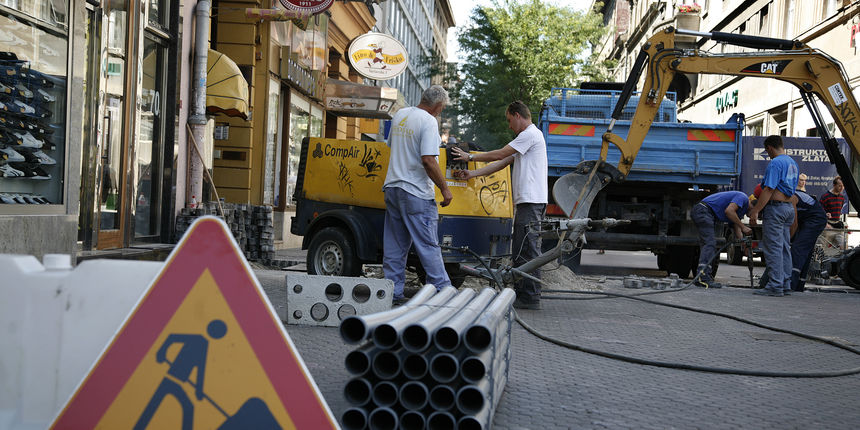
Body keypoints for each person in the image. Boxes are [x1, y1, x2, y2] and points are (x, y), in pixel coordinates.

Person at [451, 101, 548, 310]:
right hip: (527, 202)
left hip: (531, 201)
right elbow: (502, 163)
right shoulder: (527, 138)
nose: (509, 126)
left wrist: (470, 156)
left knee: (529, 251)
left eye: (509, 120)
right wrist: (472, 173)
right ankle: (525, 294)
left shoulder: (530, 135)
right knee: (522, 250)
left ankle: (531, 297)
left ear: (517, 115)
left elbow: (499, 154)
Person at [382, 85, 454, 304]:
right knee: (428, 245)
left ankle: (392, 293)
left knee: (395, 246)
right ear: (438, 106)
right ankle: (444, 292)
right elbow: (428, 160)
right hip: (415, 193)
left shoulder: (400, 115)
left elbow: (392, 147)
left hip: (393, 187)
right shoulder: (429, 121)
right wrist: (444, 188)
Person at [749, 135, 799, 297]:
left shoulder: (776, 163)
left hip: (776, 209)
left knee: (773, 248)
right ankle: (784, 283)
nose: (768, 154)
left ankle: (775, 285)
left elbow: (768, 189)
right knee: (784, 247)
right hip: (788, 209)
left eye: (767, 151)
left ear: (769, 148)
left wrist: (756, 210)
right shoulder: (792, 163)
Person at [756, 184, 828, 292]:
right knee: (804, 251)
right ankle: (798, 285)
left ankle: (791, 285)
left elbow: (794, 224)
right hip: (806, 217)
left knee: (798, 249)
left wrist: (787, 240)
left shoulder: (790, 197)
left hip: (816, 218)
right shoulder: (782, 196)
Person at [691, 190, 752, 288]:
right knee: (710, 244)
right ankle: (703, 278)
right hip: (703, 211)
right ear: (753, 206)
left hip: (705, 212)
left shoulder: (741, 209)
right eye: (757, 213)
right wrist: (743, 226)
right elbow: (729, 211)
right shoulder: (743, 197)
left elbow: (736, 226)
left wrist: (743, 244)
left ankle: (703, 276)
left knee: (708, 244)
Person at [819, 176, 847, 250]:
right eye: (840, 186)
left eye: (843, 186)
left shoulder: (842, 197)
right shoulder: (825, 196)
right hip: (827, 226)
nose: (842, 188)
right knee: (822, 249)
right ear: (834, 185)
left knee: (844, 247)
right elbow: (819, 212)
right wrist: (825, 223)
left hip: (838, 226)